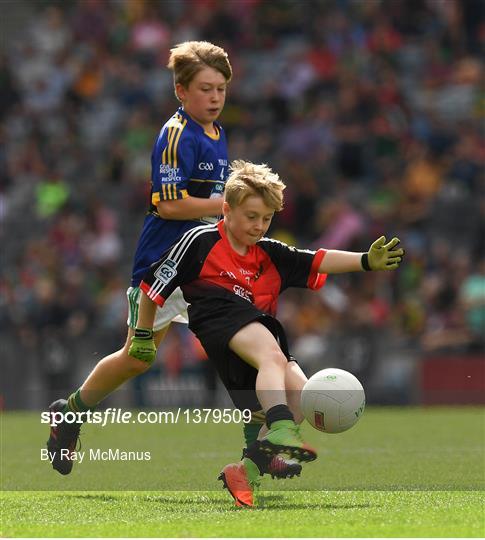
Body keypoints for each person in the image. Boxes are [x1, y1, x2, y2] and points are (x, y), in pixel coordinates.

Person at [130, 160, 405, 507]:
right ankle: (280, 427)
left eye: (266, 219)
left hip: (257, 339)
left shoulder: (270, 254)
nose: (259, 226)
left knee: (302, 395)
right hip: (219, 322)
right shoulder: (200, 241)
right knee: (273, 363)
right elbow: (152, 286)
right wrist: (141, 335)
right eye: (251, 216)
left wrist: (366, 260)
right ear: (226, 210)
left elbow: (318, 260)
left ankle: (246, 471)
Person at [46, 40, 233, 474]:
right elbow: (168, 204)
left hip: (204, 263)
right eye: (205, 89)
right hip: (163, 264)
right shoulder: (175, 135)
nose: (215, 98)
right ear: (181, 91)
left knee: (244, 339)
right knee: (139, 356)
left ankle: (265, 445)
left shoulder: (218, 133)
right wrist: (229, 205)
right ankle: (69, 412)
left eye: (221, 89)